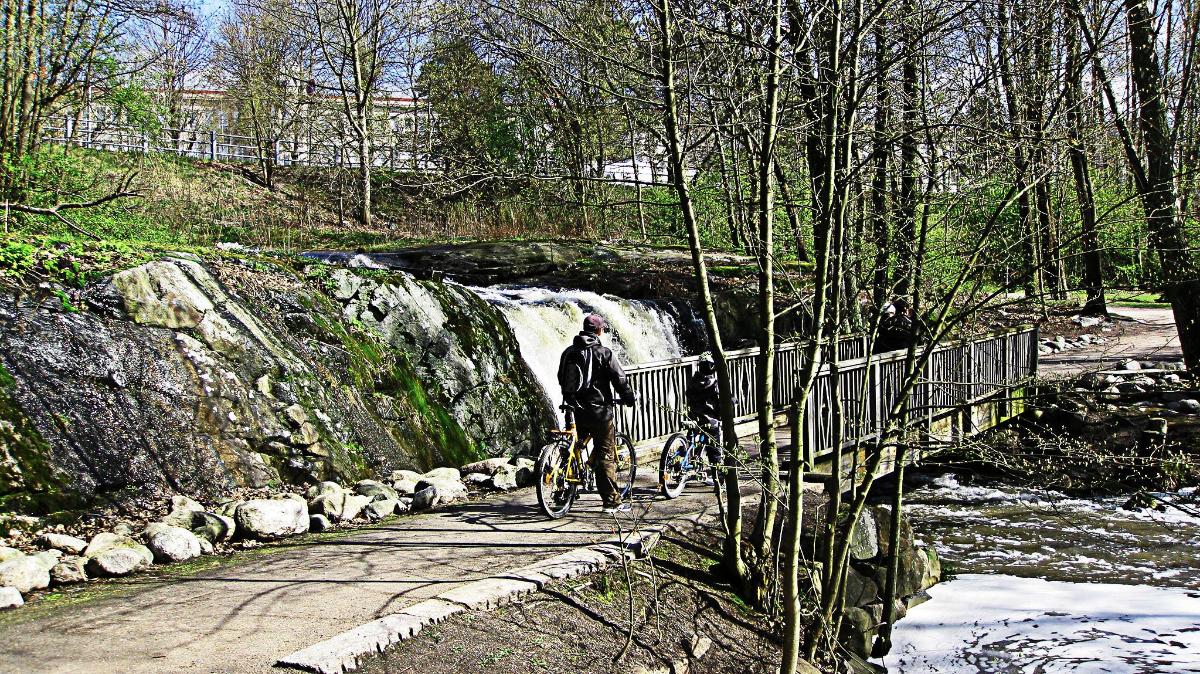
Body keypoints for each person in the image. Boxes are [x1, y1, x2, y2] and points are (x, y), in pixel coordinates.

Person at [557, 313, 637, 513]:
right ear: (599, 331)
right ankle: (611, 502)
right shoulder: (604, 353)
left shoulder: (569, 352)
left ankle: (564, 489)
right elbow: (619, 380)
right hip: (600, 412)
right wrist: (629, 398)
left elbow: (561, 377)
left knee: (576, 446)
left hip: (576, 409)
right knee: (605, 455)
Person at [685, 353, 724, 480]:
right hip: (708, 420)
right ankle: (719, 478)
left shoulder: (693, 381)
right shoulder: (714, 384)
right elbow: (720, 400)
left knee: (693, 440)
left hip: (693, 417)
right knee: (715, 449)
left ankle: (693, 460)